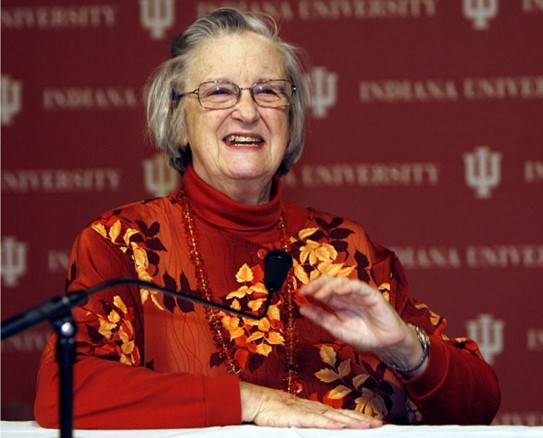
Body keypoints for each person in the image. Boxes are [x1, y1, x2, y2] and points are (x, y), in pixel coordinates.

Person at [34, 7, 500, 430]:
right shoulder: (123, 242)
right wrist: (248, 401)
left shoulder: (345, 248)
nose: (247, 111)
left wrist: (403, 348)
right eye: (219, 91)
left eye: (268, 91)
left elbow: (481, 402)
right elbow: (63, 390)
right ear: (178, 122)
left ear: (291, 119)